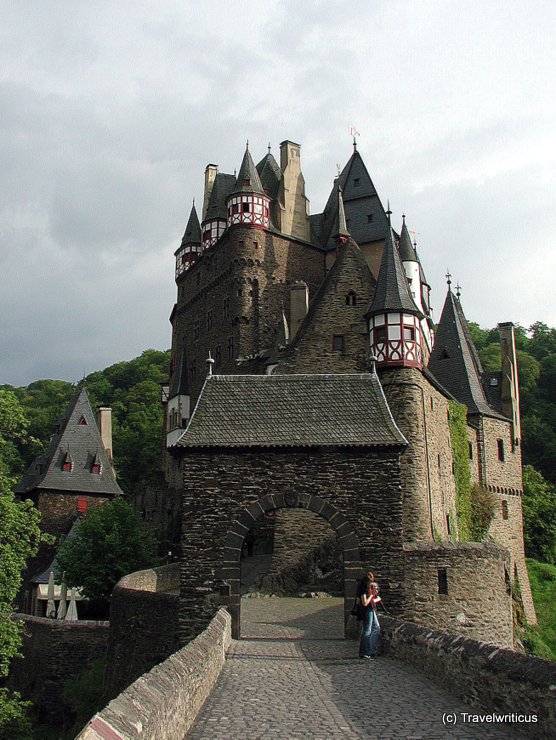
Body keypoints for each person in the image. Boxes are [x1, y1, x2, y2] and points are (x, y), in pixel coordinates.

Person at [357, 571, 381, 659]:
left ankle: (371, 650)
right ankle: (365, 652)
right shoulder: (363, 590)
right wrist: (371, 595)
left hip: (370, 609)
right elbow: (365, 603)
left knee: (376, 628)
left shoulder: (363, 588)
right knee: (367, 631)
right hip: (367, 610)